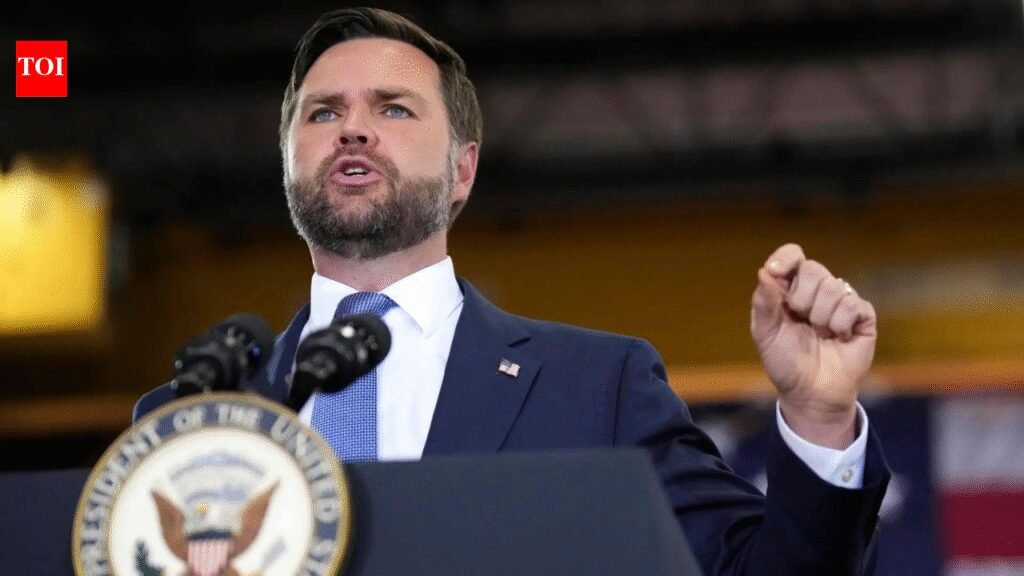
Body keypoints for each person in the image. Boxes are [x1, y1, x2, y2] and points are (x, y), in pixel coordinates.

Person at [134, 7, 889, 575]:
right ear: (289, 164)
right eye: (324, 112)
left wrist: (819, 417)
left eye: (393, 108)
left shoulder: (597, 388)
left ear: (462, 170)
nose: (353, 130)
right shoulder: (189, 415)